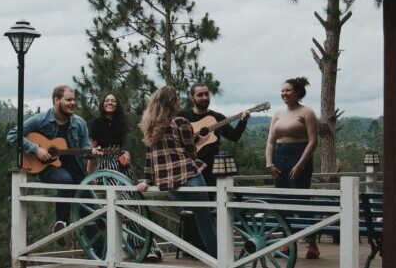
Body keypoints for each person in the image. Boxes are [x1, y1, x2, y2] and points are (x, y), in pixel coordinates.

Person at [6, 85, 102, 241]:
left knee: (90, 212)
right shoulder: (41, 119)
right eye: (68, 100)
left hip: (76, 170)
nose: (72, 103)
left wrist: (91, 153)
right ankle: (61, 223)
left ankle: (102, 257)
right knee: (66, 181)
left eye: (73, 100)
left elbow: (84, 149)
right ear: (56, 100)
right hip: (48, 168)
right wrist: (36, 149)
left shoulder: (79, 123)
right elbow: (12, 135)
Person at [136, 86, 217, 258]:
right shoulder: (180, 122)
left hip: (170, 184)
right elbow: (190, 152)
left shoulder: (150, 127)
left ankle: (199, 255)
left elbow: (150, 159)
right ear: (173, 102)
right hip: (191, 178)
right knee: (205, 222)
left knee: (192, 216)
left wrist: (148, 181)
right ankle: (219, 260)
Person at [87, 93, 163, 262]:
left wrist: (126, 152)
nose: (110, 102)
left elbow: (124, 146)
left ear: (117, 104)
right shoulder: (97, 123)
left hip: (123, 166)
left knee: (138, 203)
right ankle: (146, 247)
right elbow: (91, 151)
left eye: (113, 100)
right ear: (102, 104)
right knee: (130, 205)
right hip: (107, 167)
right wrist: (90, 174)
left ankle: (149, 246)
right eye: (107, 100)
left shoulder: (121, 123)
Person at [177, 83, 249, 255]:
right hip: (187, 169)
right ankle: (190, 248)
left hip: (211, 171)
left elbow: (234, 136)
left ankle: (207, 249)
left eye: (206, 95)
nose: (204, 98)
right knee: (189, 210)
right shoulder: (182, 116)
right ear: (192, 97)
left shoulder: (217, 118)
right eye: (200, 95)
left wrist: (243, 121)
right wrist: (188, 137)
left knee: (208, 209)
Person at [265, 77, 319, 259]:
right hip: (280, 157)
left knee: (301, 200)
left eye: (287, 90)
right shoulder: (278, 114)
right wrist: (269, 163)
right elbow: (271, 141)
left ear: (297, 92)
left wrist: (300, 165)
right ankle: (286, 242)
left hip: (299, 155)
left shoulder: (307, 112)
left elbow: (313, 142)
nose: (284, 94)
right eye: (282, 91)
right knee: (281, 201)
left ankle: (312, 243)